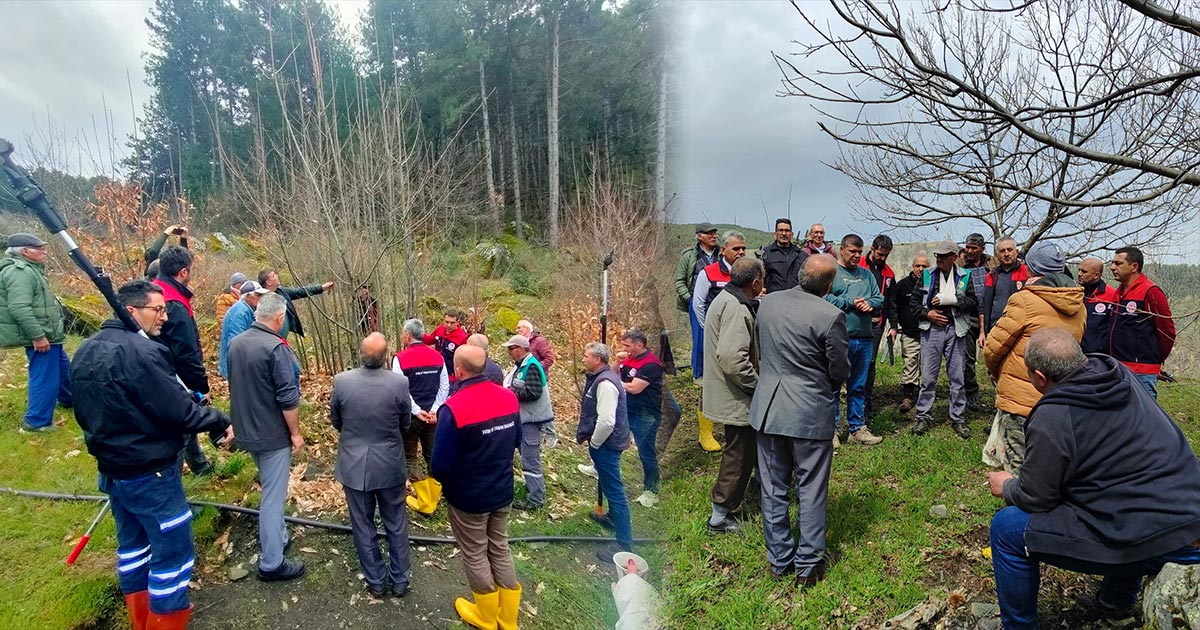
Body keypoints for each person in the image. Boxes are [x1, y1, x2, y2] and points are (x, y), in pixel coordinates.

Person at [987, 329, 1200, 629]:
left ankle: (1020, 625)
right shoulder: (1119, 376)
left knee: (1006, 528)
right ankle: (1116, 603)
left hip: (1165, 540)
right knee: (1120, 494)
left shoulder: (1054, 415)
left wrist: (1006, 485)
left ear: (1039, 377)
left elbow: (1037, 498)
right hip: (1190, 508)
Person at [71, 279, 234, 630]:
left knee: (132, 546)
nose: (164, 317)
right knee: (173, 555)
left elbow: (80, 409)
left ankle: (140, 620)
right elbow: (180, 412)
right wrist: (221, 418)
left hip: (114, 469)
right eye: (157, 310)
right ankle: (162, 621)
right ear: (131, 311)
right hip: (151, 473)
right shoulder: (144, 353)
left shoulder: (85, 350)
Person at [750, 255, 850, 586]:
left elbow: (761, 348)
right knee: (811, 488)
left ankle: (779, 560)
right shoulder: (831, 315)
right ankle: (808, 565)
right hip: (808, 412)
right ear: (830, 286)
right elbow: (839, 370)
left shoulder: (768, 303)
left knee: (774, 487)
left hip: (768, 409)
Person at [430, 345, 523, 630]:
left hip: (469, 496)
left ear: (458, 371)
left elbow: (440, 464)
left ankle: (485, 615)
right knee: (499, 547)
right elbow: (517, 440)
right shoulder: (509, 398)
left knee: (474, 552)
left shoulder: (453, 408)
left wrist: (449, 484)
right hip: (502, 488)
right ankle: (507, 619)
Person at [983, 242, 1085, 474]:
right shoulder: (1078, 304)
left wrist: (994, 370)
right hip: (1059, 398)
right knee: (1049, 466)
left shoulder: (1025, 300)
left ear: (1030, 268)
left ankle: (1020, 509)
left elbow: (993, 347)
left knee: (1018, 467)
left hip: (1020, 398)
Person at [227, 292, 306, 582]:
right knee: (273, 498)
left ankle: (280, 536)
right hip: (271, 435)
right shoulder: (276, 348)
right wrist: (295, 433)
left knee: (269, 486)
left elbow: (235, 387)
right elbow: (288, 397)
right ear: (279, 318)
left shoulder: (236, 344)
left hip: (248, 431)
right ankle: (272, 563)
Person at [331, 333, 413, 598]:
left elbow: (336, 420)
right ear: (386, 356)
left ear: (360, 354)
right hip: (389, 463)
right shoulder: (399, 383)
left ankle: (376, 580)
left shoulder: (342, 382)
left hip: (354, 464)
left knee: (362, 524)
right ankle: (400, 580)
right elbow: (405, 423)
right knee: (396, 522)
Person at [702, 258, 764, 534]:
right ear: (755, 282)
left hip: (730, 393)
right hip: (736, 396)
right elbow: (731, 359)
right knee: (738, 456)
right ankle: (719, 517)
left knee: (743, 451)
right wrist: (757, 385)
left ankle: (753, 492)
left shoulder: (727, 297)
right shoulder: (737, 308)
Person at [152, 246, 214, 476]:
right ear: (184, 272)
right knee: (182, 428)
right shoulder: (174, 305)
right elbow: (187, 353)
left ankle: (199, 463)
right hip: (174, 376)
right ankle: (173, 487)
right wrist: (201, 387)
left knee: (186, 424)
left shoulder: (155, 292)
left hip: (159, 370)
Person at [0, 233, 70, 432]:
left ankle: (70, 400)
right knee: (44, 376)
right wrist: (38, 336)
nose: (44, 252)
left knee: (64, 370)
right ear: (24, 251)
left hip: (50, 334)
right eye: (40, 249)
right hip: (42, 335)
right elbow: (19, 308)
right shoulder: (19, 272)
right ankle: (37, 422)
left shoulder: (31, 269)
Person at [910, 240, 979, 438]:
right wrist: (927, 314)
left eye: (943, 256)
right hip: (931, 330)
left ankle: (958, 418)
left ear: (954, 257)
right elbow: (913, 303)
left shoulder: (965, 277)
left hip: (956, 330)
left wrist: (954, 299)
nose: (939, 259)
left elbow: (973, 302)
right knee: (928, 377)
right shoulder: (926, 276)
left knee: (957, 376)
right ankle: (923, 416)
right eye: (937, 256)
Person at [824, 234, 884, 446]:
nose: (857, 255)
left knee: (858, 386)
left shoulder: (867, 275)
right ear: (842, 250)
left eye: (860, 252)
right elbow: (824, 297)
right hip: (840, 338)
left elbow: (879, 297)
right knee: (832, 386)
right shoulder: (832, 272)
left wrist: (869, 303)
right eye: (852, 252)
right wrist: (850, 302)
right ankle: (829, 431)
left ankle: (857, 429)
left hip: (865, 338)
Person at [692, 230, 749, 452]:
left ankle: (736, 425)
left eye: (743, 248)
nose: (741, 252)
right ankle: (705, 433)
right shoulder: (709, 272)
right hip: (715, 339)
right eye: (736, 248)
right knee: (711, 383)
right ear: (723, 250)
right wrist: (710, 332)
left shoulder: (747, 271)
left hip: (741, 337)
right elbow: (698, 304)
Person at [580, 342, 635, 564]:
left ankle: (624, 543)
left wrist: (594, 443)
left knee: (615, 490)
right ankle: (612, 517)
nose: (583, 359)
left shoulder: (605, 384)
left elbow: (606, 421)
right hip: (610, 442)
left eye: (586, 356)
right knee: (611, 484)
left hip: (606, 444)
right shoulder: (605, 376)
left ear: (597, 360)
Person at [392, 318, 449, 516]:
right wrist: (434, 410)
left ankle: (425, 502)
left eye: (402, 334)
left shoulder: (399, 358)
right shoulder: (438, 356)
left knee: (410, 458)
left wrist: (417, 411)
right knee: (432, 455)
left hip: (412, 417)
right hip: (433, 417)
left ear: (407, 336)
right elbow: (445, 387)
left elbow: (400, 389)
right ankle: (433, 498)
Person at [1106, 246, 1175, 399]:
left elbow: (1167, 332)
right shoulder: (1119, 292)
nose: (1112, 267)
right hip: (1117, 367)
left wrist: (1153, 362)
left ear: (1134, 266)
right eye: (1112, 263)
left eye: (1118, 263)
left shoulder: (1151, 291)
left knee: (1145, 419)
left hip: (1141, 372)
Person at [501, 334, 553, 511]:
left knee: (531, 460)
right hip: (525, 419)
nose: (509, 352)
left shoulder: (530, 366)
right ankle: (531, 490)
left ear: (522, 349)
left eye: (511, 348)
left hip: (531, 420)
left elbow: (533, 393)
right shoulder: (523, 365)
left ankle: (536, 499)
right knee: (527, 458)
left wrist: (510, 392)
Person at [619, 329, 666, 508]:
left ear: (640, 345)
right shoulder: (629, 359)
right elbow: (615, 372)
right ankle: (597, 469)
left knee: (646, 453)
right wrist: (617, 363)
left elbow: (634, 388)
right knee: (611, 439)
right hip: (627, 410)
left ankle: (651, 491)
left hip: (646, 414)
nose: (624, 349)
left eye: (627, 345)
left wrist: (613, 382)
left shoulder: (652, 364)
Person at [674, 223, 720, 382]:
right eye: (709, 233)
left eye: (715, 233)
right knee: (700, 339)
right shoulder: (689, 256)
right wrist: (689, 299)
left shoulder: (721, 254)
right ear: (699, 236)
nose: (714, 236)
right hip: (697, 302)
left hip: (719, 300)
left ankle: (716, 374)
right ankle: (699, 375)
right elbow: (679, 281)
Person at [860, 234, 895, 422]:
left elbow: (891, 301)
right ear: (872, 249)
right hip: (857, 322)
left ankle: (868, 403)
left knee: (870, 363)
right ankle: (855, 401)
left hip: (877, 324)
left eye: (886, 256)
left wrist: (893, 326)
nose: (882, 259)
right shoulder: (859, 267)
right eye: (880, 254)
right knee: (855, 364)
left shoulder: (888, 273)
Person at [891, 254, 929, 413]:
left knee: (927, 366)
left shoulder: (933, 284)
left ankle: (925, 396)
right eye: (917, 266)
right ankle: (907, 396)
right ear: (912, 266)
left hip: (929, 332)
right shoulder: (902, 285)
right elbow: (893, 306)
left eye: (924, 266)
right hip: (909, 332)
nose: (920, 269)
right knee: (910, 364)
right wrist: (894, 325)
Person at [959, 233, 990, 409]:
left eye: (973, 248)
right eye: (967, 247)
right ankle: (971, 393)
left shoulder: (992, 264)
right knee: (967, 358)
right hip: (968, 316)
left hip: (991, 315)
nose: (969, 251)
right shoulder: (960, 266)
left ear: (982, 249)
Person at [257, 268, 334, 339]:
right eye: (274, 275)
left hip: (282, 339)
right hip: (273, 339)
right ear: (268, 282)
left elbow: (300, 292)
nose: (277, 276)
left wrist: (322, 287)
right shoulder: (263, 300)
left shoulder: (281, 291)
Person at [517, 319, 558, 447]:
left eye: (520, 328)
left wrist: (533, 368)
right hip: (526, 380)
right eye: (516, 328)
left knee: (543, 407)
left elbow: (550, 359)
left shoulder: (538, 341)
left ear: (528, 329)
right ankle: (539, 433)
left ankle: (551, 435)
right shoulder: (522, 344)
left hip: (539, 379)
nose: (517, 330)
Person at [218, 281, 271, 379]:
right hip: (237, 367)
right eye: (258, 295)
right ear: (248, 296)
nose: (261, 298)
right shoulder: (240, 313)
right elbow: (237, 344)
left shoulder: (247, 309)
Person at [982, 238, 1029, 334]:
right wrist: (983, 331)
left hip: (1021, 330)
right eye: (1002, 251)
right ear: (996, 255)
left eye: (1010, 250)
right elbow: (985, 305)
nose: (1006, 254)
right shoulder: (991, 275)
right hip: (996, 329)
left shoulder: (1027, 272)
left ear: (1016, 252)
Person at [1078, 257, 1119, 354]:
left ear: (1096, 275)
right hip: (1076, 353)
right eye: (1079, 270)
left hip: (1100, 355)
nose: (1079, 274)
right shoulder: (1076, 294)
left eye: (1084, 271)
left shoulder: (1112, 295)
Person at [760, 218, 808, 293]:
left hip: (796, 298)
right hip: (774, 299)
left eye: (787, 231)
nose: (784, 233)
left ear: (791, 234)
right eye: (781, 230)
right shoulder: (765, 254)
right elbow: (759, 277)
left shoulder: (802, 256)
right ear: (775, 234)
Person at [424, 309, 470, 382]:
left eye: (452, 323)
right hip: (436, 369)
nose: (448, 325)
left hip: (450, 375)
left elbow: (464, 359)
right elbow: (429, 340)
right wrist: (417, 333)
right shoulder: (440, 329)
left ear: (457, 323)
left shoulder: (462, 338)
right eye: (446, 322)